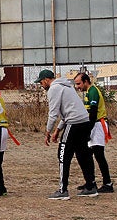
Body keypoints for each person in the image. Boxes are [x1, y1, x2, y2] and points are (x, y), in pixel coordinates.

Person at [36, 69, 96, 200]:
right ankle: (91, 186)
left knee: (63, 154)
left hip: (74, 123)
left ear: (46, 80)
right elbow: (67, 112)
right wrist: (57, 130)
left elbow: (53, 113)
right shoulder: (66, 87)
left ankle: (63, 190)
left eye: (41, 82)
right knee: (83, 154)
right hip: (84, 121)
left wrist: (48, 132)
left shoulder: (54, 89)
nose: (41, 85)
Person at [74, 72, 114, 193]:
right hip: (93, 125)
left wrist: (87, 130)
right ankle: (90, 182)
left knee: (99, 155)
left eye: (78, 83)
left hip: (97, 124)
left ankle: (108, 183)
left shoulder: (93, 91)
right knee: (87, 154)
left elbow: (93, 113)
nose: (77, 87)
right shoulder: (88, 92)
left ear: (86, 81)